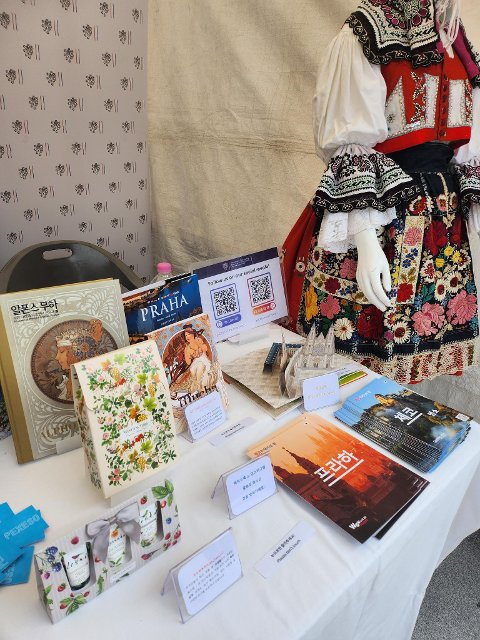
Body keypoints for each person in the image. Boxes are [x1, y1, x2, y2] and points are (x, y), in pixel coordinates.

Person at [282, 0, 480, 384]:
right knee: (356, 345)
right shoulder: (366, 31)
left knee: (418, 344)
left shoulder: (456, 40)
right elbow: (349, 142)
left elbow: (468, 148)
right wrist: (366, 242)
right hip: (381, 215)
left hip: (441, 226)